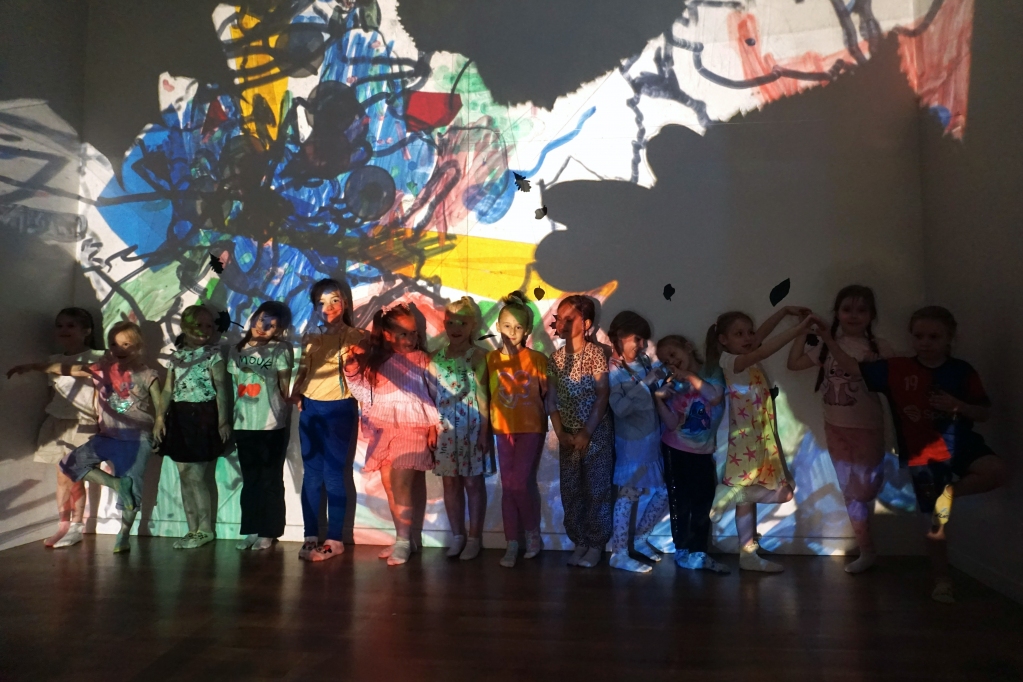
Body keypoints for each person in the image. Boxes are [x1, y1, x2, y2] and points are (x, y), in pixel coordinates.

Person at [819, 306, 1006, 602]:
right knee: (935, 522)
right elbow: (854, 368)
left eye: (934, 336)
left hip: (961, 442)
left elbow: (983, 412)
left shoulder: (961, 370)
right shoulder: (898, 367)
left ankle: (948, 493)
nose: (925, 342)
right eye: (919, 336)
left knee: (996, 470)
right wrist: (829, 340)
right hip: (924, 454)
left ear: (949, 337)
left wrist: (958, 405)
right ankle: (941, 580)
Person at [787, 285, 894, 573]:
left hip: (868, 427)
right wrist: (802, 330)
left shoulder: (879, 347)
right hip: (835, 427)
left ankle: (868, 541)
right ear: (837, 313)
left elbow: (879, 376)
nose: (854, 315)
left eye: (861, 310)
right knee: (850, 492)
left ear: (871, 315)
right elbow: (794, 364)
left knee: (866, 489)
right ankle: (867, 549)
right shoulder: (826, 346)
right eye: (847, 309)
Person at [708, 307, 819, 572]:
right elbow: (763, 349)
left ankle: (748, 552)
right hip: (746, 441)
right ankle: (730, 497)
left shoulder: (743, 357)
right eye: (739, 334)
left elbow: (761, 338)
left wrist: (784, 312)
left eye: (749, 332)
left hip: (759, 439)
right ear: (723, 340)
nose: (748, 338)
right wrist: (798, 330)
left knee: (749, 500)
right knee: (783, 492)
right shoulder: (731, 361)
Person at [42, 322, 162, 554]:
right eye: (114, 344)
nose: (120, 349)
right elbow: (66, 368)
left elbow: (160, 402)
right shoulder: (100, 369)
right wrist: (33, 366)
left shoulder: (147, 374)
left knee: (133, 490)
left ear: (138, 346)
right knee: (69, 464)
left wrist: (160, 422)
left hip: (137, 440)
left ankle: (124, 534)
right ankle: (116, 484)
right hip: (107, 436)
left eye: (126, 344)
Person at [346, 303, 439, 566]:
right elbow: (365, 395)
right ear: (387, 335)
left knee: (401, 485)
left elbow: (435, 393)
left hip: (412, 428)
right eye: (404, 334)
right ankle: (404, 538)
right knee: (389, 485)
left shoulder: (422, 360)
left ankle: (404, 541)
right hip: (384, 430)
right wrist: (352, 369)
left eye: (414, 333)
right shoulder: (377, 362)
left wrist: (434, 426)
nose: (411, 339)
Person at [7, 308, 104, 548]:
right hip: (57, 423)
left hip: (84, 423)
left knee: (76, 477)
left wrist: (34, 366)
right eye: (60, 325)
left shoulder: (98, 357)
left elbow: (87, 380)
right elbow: (53, 394)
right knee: (62, 478)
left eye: (71, 325)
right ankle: (63, 526)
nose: (64, 330)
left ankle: (76, 526)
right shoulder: (52, 360)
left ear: (87, 330)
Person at [291, 279, 366, 561]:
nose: (329, 307)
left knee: (334, 475)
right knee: (311, 475)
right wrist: (296, 393)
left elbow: (361, 373)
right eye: (321, 302)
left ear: (345, 302)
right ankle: (310, 535)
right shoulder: (310, 337)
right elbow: (302, 370)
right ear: (314, 307)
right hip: (310, 409)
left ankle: (335, 539)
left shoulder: (357, 336)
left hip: (340, 409)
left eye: (334, 300)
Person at [653, 334, 730, 574]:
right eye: (666, 361)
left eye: (673, 354)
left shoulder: (711, 371)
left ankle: (699, 553)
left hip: (703, 452)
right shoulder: (674, 384)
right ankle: (682, 552)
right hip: (675, 449)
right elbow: (671, 423)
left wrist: (689, 376)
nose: (671, 362)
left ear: (688, 347)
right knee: (680, 503)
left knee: (703, 502)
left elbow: (714, 396)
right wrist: (659, 400)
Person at [549, 295, 614, 569]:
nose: (562, 324)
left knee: (597, 489)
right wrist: (560, 432)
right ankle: (580, 541)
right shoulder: (555, 359)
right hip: (568, 434)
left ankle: (596, 543)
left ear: (586, 324)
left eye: (570, 319)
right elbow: (551, 399)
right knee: (571, 490)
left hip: (595, 433)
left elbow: (602, 395)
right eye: (559, 319)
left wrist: (587, 432)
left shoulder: (595, 354)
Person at [157, 306, 230, 549]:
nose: (205, 330)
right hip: (179, 417)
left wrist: (223, 421)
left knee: (197, 476)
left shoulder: (213, 355)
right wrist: (159, 418)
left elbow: (221, 388)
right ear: (186, 326)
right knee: (184, 476)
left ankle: (205, 529)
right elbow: (168, 389)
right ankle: (192, 528)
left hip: (203, 416)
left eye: (209, 326)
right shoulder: (176, 356)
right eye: (199, 325)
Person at [487, 291, 549, 568]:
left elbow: (547, 394)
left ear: (527, 331)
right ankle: (512, 541)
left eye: (518, 327)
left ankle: (532, 534)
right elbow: (486, 394)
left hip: (531, 427)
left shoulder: (537, 359)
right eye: (507, 326)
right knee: (508, 486)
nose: (512, 332)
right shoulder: (490, 360)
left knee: (519, 483)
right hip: (502, 429)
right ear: (498, 326)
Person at [606, 311, 669, 574]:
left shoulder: (642, 361)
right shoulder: (612, 370)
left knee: (664, 491)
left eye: (643, 340)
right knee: (627, 495)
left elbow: (652, 390)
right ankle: (619, 553)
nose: (642, 345)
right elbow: (620, 408)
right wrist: (645, 384)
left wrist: (663, 378)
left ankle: (641, 538)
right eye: (637, 339)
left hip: (652, 440)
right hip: (631, 444)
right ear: (619, 337)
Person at [229, 301, 294, 551]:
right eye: (261, 320)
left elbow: (284, 386)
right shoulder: (238, 349)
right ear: (254, 318)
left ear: (279, 330)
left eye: (271, 325)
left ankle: (268, 531)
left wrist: (281, 411)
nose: (263, 327)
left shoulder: (280, 349)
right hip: (243, 422)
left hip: (271, 424)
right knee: (250, 480)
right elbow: (235, 384)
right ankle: (252, 529)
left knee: (270, 479)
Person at [430, 297, 490, 561]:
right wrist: (431, 427)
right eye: (451, 322)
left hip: (472, 428)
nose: (455, 328)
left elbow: (484, 398)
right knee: (450, 482)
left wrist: (485, 431)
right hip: (445, 429)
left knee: (473, 482)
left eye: (462, 323)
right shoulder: (435, 358)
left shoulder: (479, 356)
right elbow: (430, 397)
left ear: (472, 325)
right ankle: (457, 535)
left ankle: (474, 537)